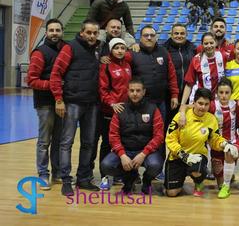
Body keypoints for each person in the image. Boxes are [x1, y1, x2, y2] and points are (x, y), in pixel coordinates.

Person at [50, 19, 101, 196]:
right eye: (89, 32)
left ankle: (83, 178)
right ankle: (65, 179)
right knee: (66, 142)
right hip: (72, 102)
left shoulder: (97, 50)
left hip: (92, 103)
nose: (92, 36)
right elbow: (56, 74)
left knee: (88, 143)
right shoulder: (69, 48)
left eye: (95, 33)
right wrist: (58, 99)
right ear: (82, 33)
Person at [164, 88, 238, 197]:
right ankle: (179, 179)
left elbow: (215, 140)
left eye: (206, 104)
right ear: (194, 103)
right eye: (200, 103)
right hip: (178, 156)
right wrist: (183, 155)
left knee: (197, 170)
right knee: (171, 193)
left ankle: (198, 183)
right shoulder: (181, 117)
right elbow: (170, 139)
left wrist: (225, 144)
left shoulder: (211, 119)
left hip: (197, 157)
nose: (203, 107)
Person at [100, 78, 164, 194]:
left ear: (144, 92)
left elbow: (159, 136)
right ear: (128, 92)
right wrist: (122, 155)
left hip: (146, 151)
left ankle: (147, 181)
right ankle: (129, 178)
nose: (135, 94)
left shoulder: (153, 109)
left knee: (156, 165)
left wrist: (143, 154)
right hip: (125, 150)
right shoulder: (120, 110)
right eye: (132, 90)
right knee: (106, 165)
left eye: (138, 91)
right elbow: (113, 136)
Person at [27, 18, 66, 190]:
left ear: (62, 32)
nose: (55, 33)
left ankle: (57, 173)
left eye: (58, 30)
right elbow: (31, 80)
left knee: (58, 140)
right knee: (44, 141)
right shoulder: (40, 53)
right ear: (46, 32)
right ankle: (43, 173)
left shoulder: (66, 49)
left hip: (62, 103)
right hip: (45, 104)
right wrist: (53, 85)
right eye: (51, 30)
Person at [97, 38, 132, 190]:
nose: (119, 50)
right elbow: (102, 89)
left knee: (122, 142)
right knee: (107, 143)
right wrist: (112, 103)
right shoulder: (106, 66)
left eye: (122, 48)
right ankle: (104, 176)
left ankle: (118, 174)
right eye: (116, 48)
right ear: (111, 50)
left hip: (125, 111)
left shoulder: (128, 65)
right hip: (109, 112)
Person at [129, 25, 179, 124]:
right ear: (140, 38)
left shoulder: (163, 52)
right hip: (140, 102)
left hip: (161, 101)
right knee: (143, 131)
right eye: (146, 35)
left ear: (156, 37)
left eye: (152, 35)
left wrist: (174, 95)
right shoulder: (132, 53)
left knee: (160, 128)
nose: (149, 38)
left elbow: (172, 75)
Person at [208, 78, 239, 198]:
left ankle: (227, 184)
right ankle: (226, 177)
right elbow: (192, 107)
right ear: (216, 93)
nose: (224, 96)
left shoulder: (237, 105)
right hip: (216, 144)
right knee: (219, 182)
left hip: (234, 141)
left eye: (227, 93)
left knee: (229, 151)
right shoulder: (211, 105)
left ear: (232, 93)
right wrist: (183, 110)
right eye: (221, 92)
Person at [180, 32, 227, 107]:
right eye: (206, 43)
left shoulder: (223, 56)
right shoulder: (196, 60)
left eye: (211, 43)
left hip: (217, 100)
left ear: (216, 43)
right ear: (202, 45)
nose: (209, 46)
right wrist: (182, 104)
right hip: (200, 100)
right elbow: (189, 84)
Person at [163, 23, 197, 124]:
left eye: (182, 33)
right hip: (170, 94)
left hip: (188, 93)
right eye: (176, 33)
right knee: (171, 122)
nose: (179, 36)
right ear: (171, 35)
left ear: (186, 34)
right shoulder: (164, 49)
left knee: (187, 122)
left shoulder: (192, 48)